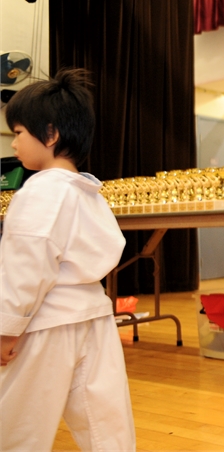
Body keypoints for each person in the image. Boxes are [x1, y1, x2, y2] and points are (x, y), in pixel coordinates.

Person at [0, 69, 136, 451]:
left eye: (18, 133)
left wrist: (6, 329)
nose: (14, 144)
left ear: (50, 134)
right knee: (104, 421)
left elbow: (26, 268)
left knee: (18, 424)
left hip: (45, 322)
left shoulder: (39, 191)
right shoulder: (89, 192)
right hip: (93, 317)